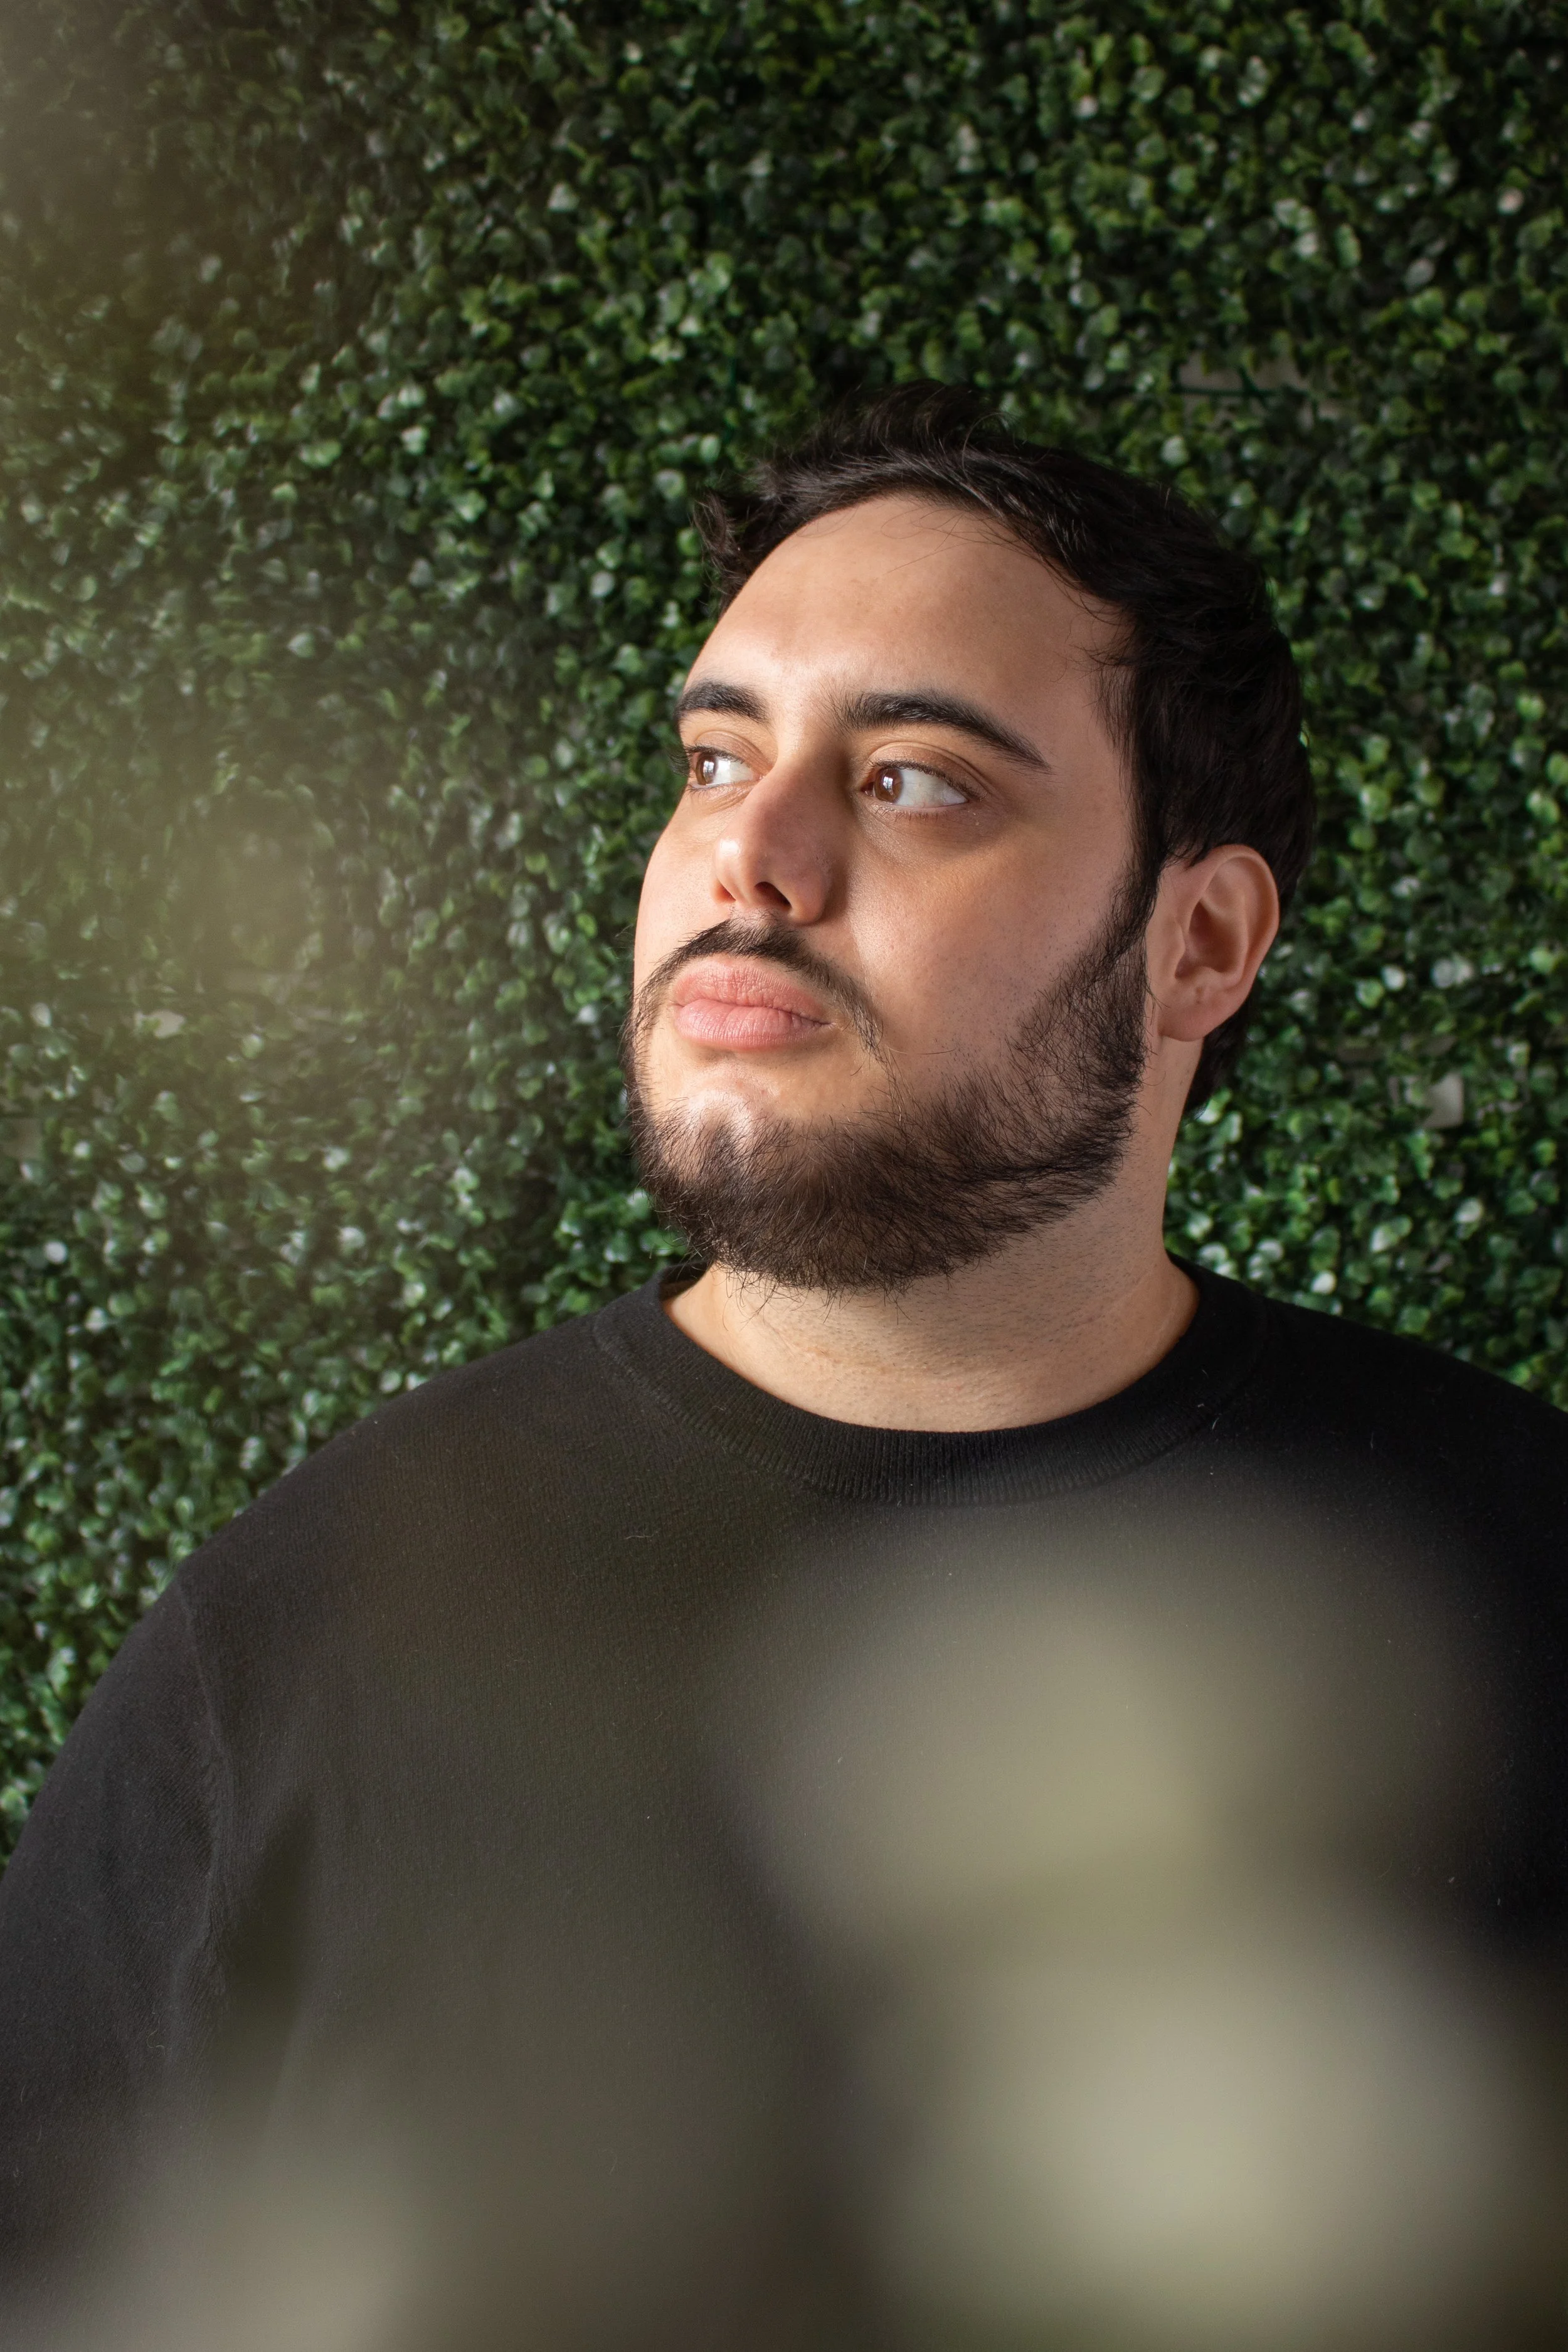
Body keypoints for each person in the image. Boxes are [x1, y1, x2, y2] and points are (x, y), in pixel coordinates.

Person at [1, 383, 1564, 2351]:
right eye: (714, 753)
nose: (753, 851)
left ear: (1197, 941)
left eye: (916, 779)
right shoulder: (310, 1623)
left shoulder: (1506, 1578)